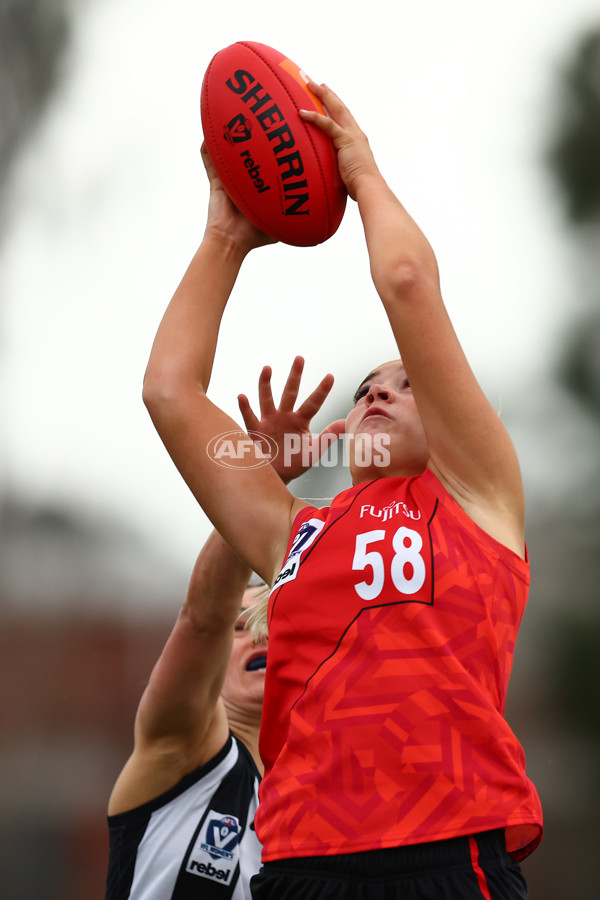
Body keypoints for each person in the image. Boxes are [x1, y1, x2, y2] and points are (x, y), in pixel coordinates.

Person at [143, 80, 543, 900]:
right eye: (367, 384)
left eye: (407, 381)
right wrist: (226, 234)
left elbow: (404, 279)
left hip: (446, 858)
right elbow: (170, 394)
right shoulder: (295, 532)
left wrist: (358, 173)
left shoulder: (479, 498)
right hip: (301, 870)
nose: (379, 389)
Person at [105, 362, 335, 900]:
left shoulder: (328, 804)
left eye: (275, 624)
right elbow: (203, 615)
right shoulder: (180, 749)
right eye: (243, 627)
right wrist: (263, 482)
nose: (260, 636)